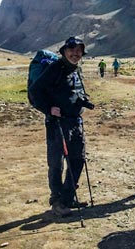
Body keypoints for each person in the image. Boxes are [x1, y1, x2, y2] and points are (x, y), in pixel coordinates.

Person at [29, 36, 94, 217]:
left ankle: (68, 197)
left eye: (79, 50)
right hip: (57, 123)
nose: (76, 53)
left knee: (78, 159)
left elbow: (74, 92)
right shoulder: (55, 68)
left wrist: (83, 101)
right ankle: (57, 201)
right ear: (64, 51)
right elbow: (35, 91)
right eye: (72, 49)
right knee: (56, 162)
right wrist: (49, 108)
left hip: (75, 121)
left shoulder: (75, 70)